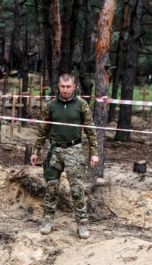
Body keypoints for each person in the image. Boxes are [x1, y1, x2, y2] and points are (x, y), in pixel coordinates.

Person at [29, 73, 99, 239]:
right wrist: (36, 150)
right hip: (54, 151)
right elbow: (43, 130)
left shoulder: (81, 105)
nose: (65, 90)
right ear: (58, 87)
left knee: (77, 188)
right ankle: (47, 220)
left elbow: (90, 129)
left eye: (68, 87)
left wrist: (94, 153)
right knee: (51, 186)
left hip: (74, 150)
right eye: (62, 87)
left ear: (74, 87)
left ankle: (82, 223)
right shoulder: (51, 105)